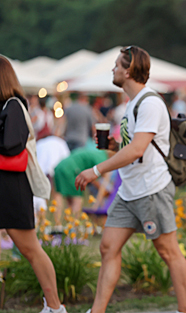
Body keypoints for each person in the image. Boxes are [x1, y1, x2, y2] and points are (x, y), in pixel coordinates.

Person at [74, 46, 186, 313]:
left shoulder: (149, 102)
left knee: (168, 251)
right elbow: (136, 148)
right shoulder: (132, 103)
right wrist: (116, 146)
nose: (112, 69)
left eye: (116, 65)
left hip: (151, 190)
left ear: (128, 71)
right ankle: (97, 310)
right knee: (107, 247)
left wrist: (96, 170)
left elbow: (138, 149)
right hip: (129, 190)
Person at [0, 55, 67, 313]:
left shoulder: (14, 105)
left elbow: (12, 144)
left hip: (13, 188)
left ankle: (54, 307)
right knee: (30, 249)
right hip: (6, 186)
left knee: (30, 249)